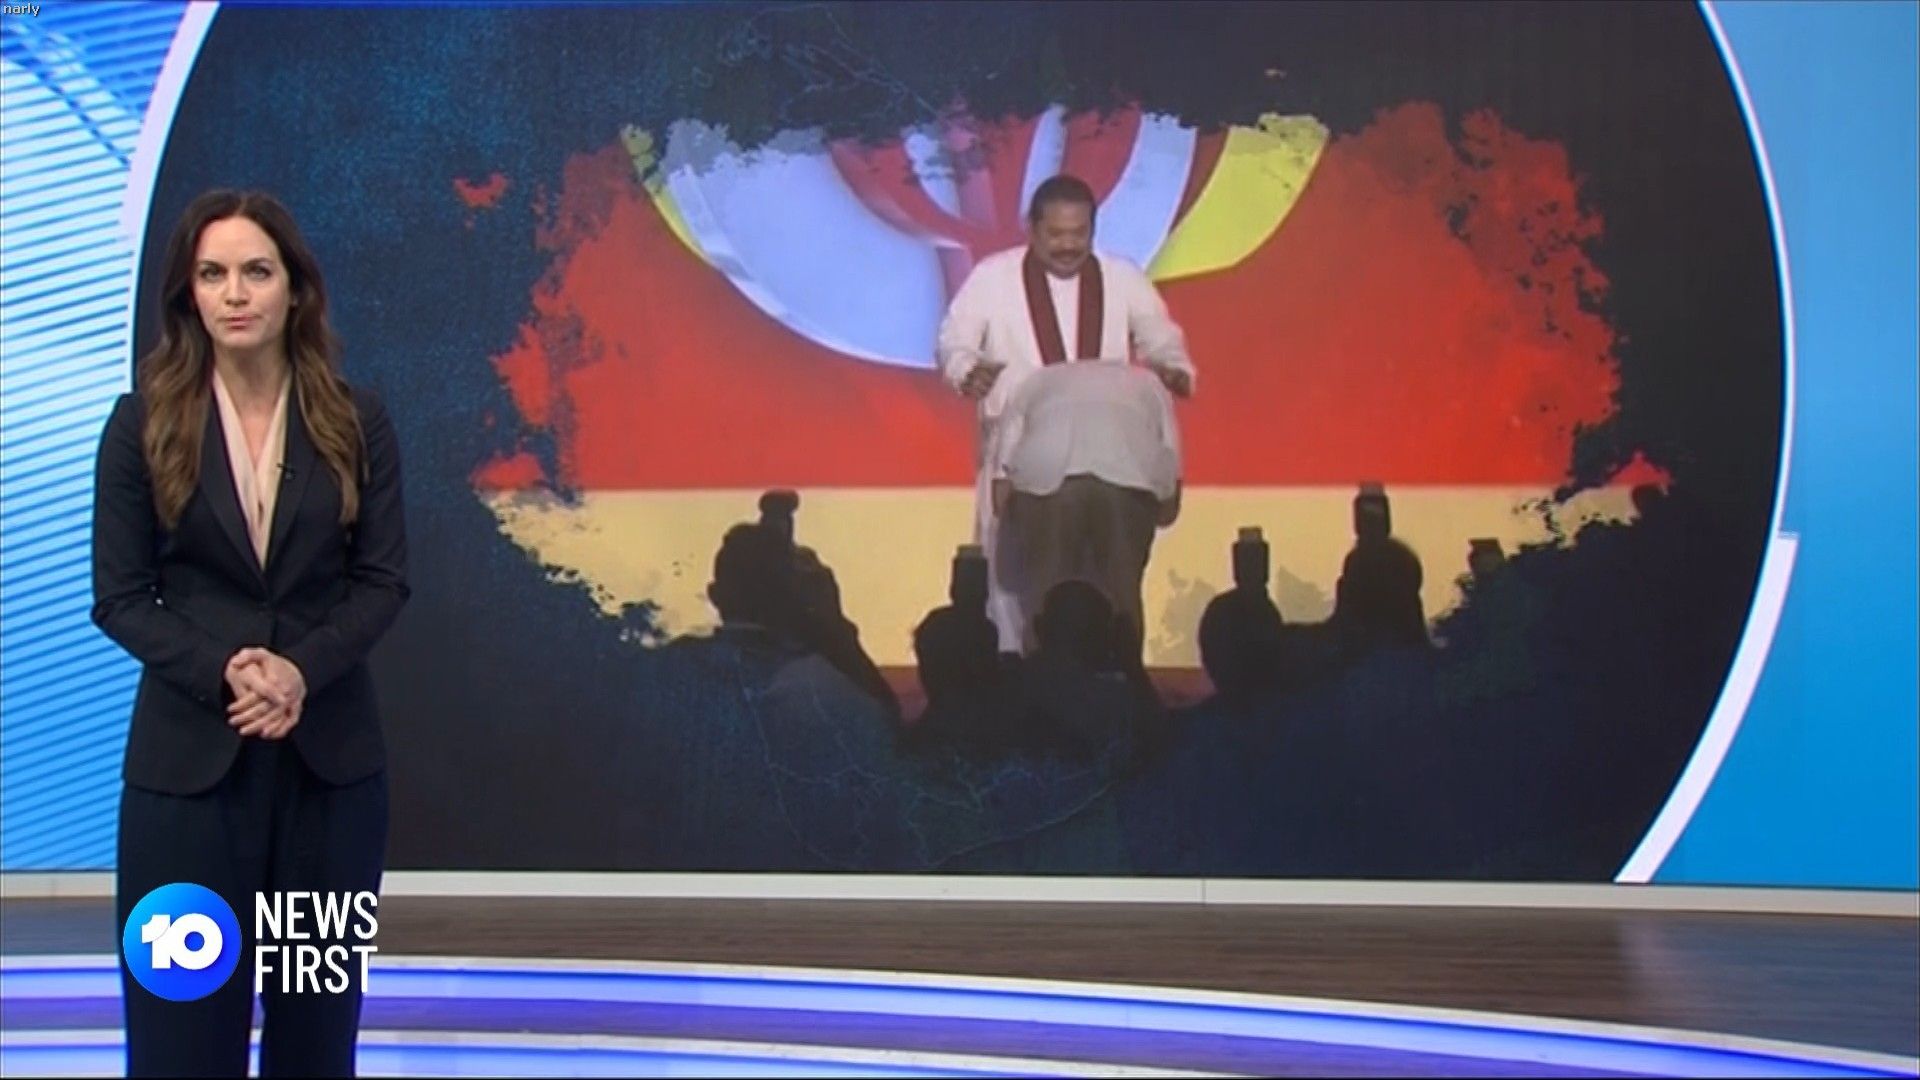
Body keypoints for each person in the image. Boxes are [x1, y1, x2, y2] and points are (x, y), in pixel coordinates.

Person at [91, 190, 408, 1077]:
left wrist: (300, 672)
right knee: (179, 1040)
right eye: (213, 274)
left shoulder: (356, 419)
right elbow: (120, 596)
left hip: (326, 784)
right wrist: (228, 671)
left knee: (315, 1041)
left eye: (256, 272)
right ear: (188, 294)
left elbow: (383, 581)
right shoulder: (141, 424)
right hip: (187, 790)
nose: (235, 293)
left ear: (294, 288)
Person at [936, 173, 1196, 651]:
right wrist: (966, 370)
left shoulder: (1121, 277)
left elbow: (1157, 333)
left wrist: (1171, 365)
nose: (1068, 246)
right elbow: (956, 340)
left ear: (1093, 230)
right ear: (1032, 229)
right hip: (1021, 452)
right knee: (1015, 582)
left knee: (1110, 579)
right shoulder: (993, 277)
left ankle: (1114, 672)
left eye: (1079, 234)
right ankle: (1020, 671)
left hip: (1107, 453)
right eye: (1056, 234)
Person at [989, 361, 1182, 654]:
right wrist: (1158, 508)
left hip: (1047, 474)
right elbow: (1170, 464)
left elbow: (1002, 480)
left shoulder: (1034, 380)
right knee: (1122, 595)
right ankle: (1125, 672)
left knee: (1044, 595)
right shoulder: (1148, 384)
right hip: (1128, 477)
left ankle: (1042, 673)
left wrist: (1019, 522)